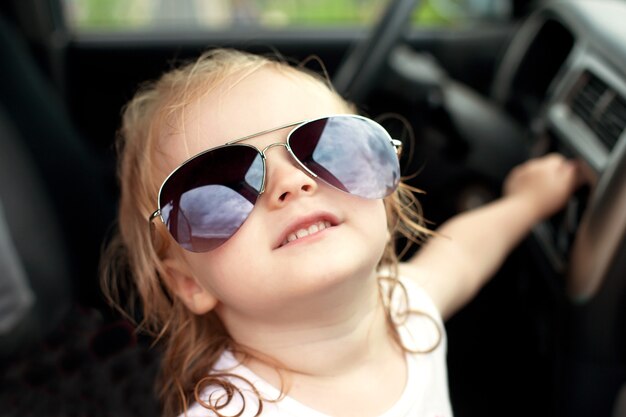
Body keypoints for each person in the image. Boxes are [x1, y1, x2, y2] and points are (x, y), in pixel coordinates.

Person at [101, 48, 580, 417]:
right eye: (221, 188)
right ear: (190, 283)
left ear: (386, 193)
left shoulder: (405, 311)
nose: (291, 182)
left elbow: (465, 254)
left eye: (327, 146)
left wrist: (527, 202)